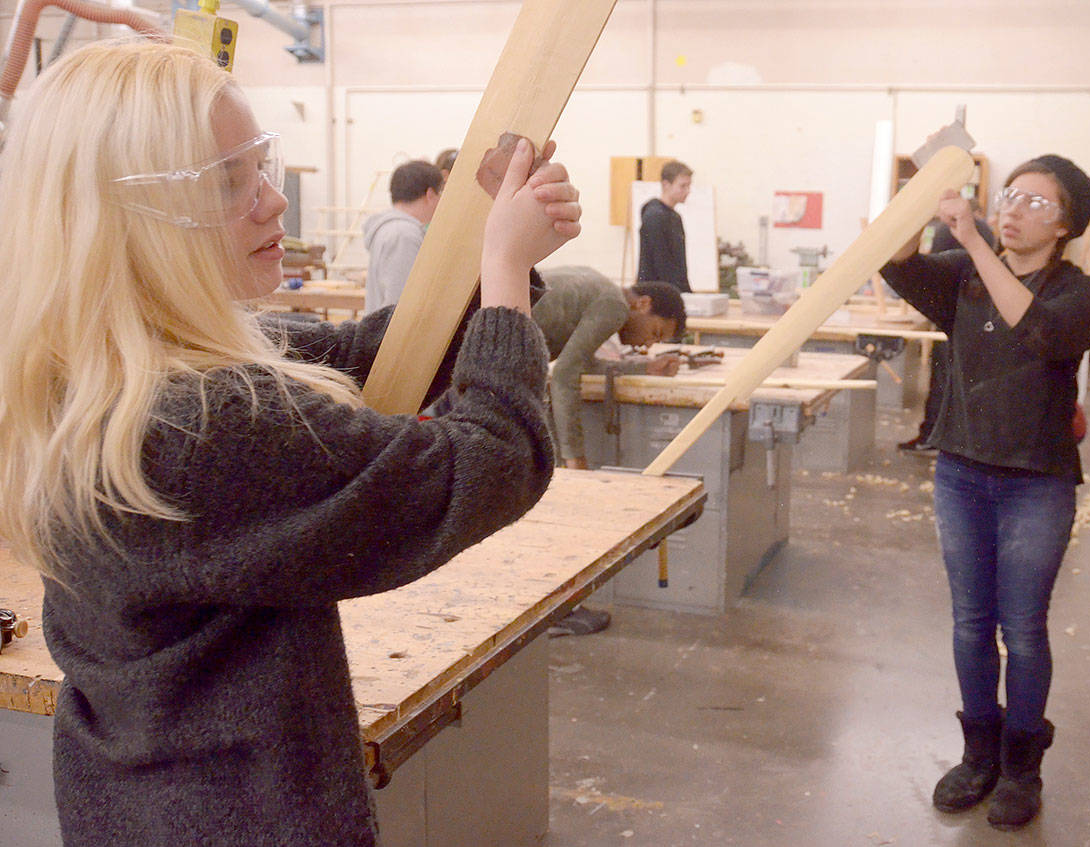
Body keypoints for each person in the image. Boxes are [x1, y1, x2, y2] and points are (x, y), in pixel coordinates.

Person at [0, 40, 582, 847]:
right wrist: (507, 272)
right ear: (128, 217)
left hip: (135, 799)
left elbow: (353, 360)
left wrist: (483, 258)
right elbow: (491, 459)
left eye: (258, 165)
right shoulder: (196, 426)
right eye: (226, 181)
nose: (272, 201)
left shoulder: (94, 375)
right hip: (244, 815)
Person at [881, 155, 1090, 831]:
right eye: (1009, 195)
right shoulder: (962, 274)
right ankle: (978, 756)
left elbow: (1040, 333)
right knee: (970, 622)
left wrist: (976, 238)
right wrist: (922, 206)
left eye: (1035, 202)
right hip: (961, 472)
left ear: (1065, 225)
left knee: (1024, 628)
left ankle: (1022, 768)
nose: (1013, 208)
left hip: (1035, 484)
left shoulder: (1081, 292)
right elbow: (898, 268)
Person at [530, 266, 684, 636]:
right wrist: (575, 460)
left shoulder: (601, 290)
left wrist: (645, 366)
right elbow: (566, 376)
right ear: (642, 304)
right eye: (655, 332)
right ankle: (552, 612)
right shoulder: (614, 305)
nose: (648, 343)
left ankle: (555, 608)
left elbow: (577, 363)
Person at [898, 204, 998, 453]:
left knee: (943, 378)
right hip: (983, 309)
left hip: (955, 306)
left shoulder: (947, 230)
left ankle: (933, 435)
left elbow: (929, 267)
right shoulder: (985, 229)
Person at [363, 159, 443, 312]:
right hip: (392, 333)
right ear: (430, 194)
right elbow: (399, 302)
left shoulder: (392, 229)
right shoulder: (404, 234)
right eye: (440, 194)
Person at [638, 159, 693, 292]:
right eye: (683, 186)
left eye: (689, 186)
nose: (688, 191)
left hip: (673, 291)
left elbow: (679, 264)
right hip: (657, 294)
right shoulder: (654, 216)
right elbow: (661, 263)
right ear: (666, 185)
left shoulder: (675, 217)